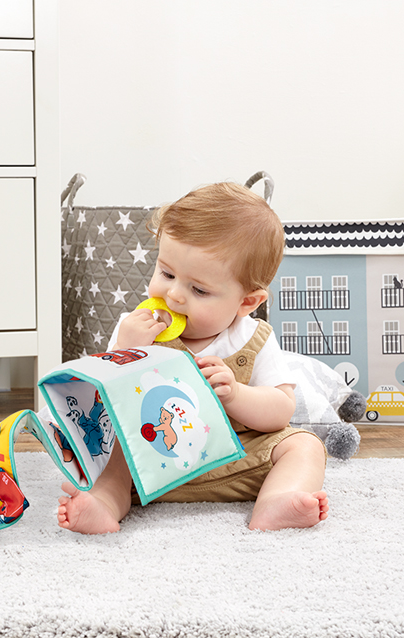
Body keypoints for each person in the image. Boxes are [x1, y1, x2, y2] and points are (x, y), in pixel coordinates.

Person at [57, 182, 329, 534]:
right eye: (166, 273)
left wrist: (236, 395)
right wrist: (124, 352)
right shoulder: (135, 329)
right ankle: (105, 503)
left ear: (247, 302)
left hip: (234, 463)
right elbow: (105, 407)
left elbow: (281, 411)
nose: (173, 295)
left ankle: (278, 499)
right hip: (149, 462)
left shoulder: (253, 338)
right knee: (113, 452)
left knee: (304, 444)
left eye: (198, 289)